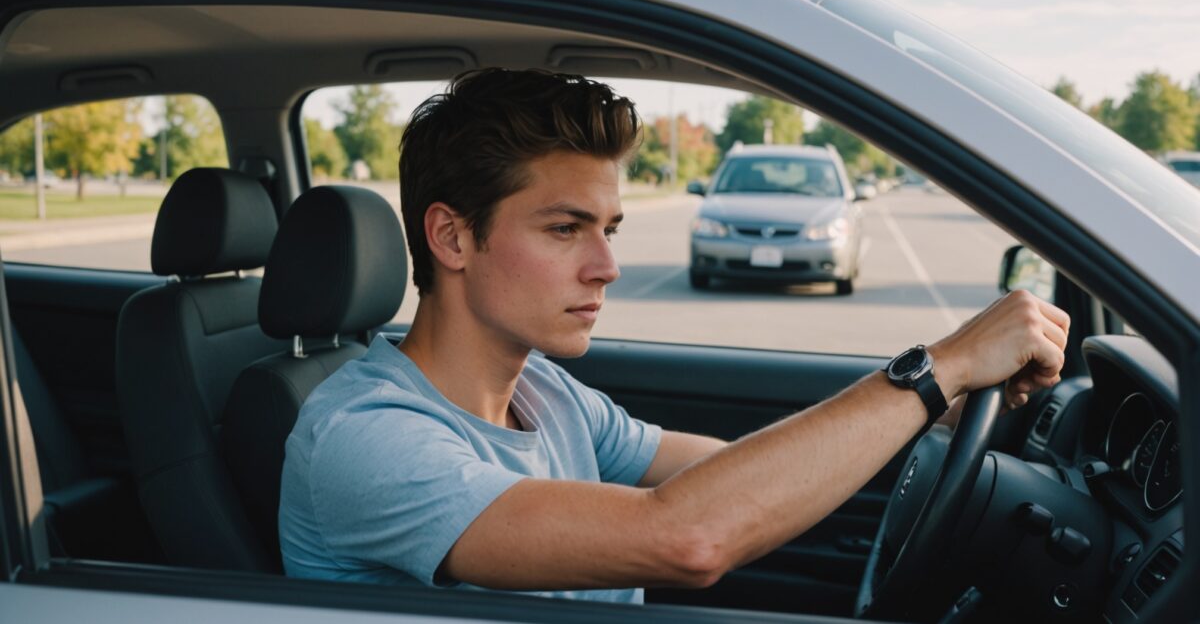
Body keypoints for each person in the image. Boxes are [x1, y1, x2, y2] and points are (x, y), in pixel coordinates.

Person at [278, 68, 1068, 604]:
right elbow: (687, 536)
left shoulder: (542, 393)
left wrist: (935, 411)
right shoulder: (365, 437)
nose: (607, 267)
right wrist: (938, 366)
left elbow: (732, 476)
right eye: (565, 229)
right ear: (451, 239)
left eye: (611, 229)